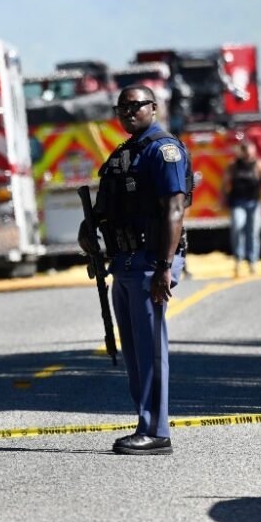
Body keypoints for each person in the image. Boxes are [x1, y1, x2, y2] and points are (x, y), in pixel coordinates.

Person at [79, 85, 190, 456]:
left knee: (150, 349)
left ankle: (157, 431)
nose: (128, 112)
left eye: (136, 105)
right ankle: (144, 421)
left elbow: (174, 210)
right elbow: (104, 209)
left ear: (153, 108)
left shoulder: (164, 151)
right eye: (122, 107)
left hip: (149, 261)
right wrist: (89, 232)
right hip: (123, 261)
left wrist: (163, 268)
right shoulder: (122, 155)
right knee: (134, 352)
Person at [222, 140, 261, 277]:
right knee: (238, 227)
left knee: (253, 232)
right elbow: (225, 183)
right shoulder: (234, 166)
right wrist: (223, 199)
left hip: (254, 203)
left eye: (250, 151)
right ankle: (238, 259)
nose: (248, 155)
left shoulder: (259, 165)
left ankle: (252, 261)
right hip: (238, 202)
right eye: (245, 151)